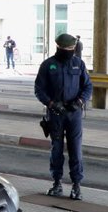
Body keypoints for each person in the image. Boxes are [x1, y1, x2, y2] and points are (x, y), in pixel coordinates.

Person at [34, 33, 92, 200]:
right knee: (56, 149)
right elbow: (39, 89)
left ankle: (76, 186)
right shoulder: (48, 65)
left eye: (72, 48)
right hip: (55, 114)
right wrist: (51, 104)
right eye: (67, 49)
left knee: (76, 149)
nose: (70, 51)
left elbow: (88, 86)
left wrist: (80, 101)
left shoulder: (78, 64)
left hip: (74, 114)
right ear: (59, 47)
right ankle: (57, 183)